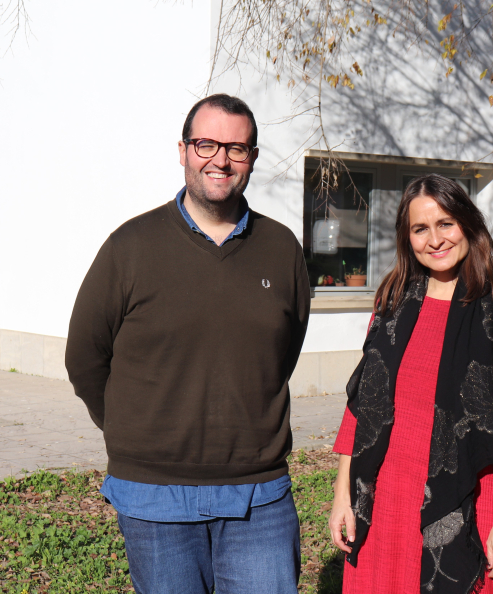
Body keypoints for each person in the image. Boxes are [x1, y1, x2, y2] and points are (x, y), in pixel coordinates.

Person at [65, 93, 310, 594]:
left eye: (236, 149)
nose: (220, 159)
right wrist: (132, 428)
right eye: (206, 144)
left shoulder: (281, 248)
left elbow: (281, 355)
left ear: (252, 158)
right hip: (154, 494)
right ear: (182, 150)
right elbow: (85, 357)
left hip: (257, 493)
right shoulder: (130, 247)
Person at [328, 174, 493, 594]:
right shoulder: (390, 305)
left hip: (467, 500)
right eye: (420, 229)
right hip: (385, 500)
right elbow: (361, 410)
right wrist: (342, 495)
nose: (435, 239)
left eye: (446, 224)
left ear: (468, 225)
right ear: (408, 239)